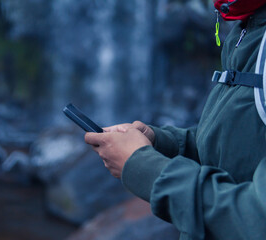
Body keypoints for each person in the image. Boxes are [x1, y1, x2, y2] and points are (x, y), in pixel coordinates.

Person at [84, 1, 266, 239]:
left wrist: (143, 166)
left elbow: (255, 219)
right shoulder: (248, 28)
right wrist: (161, 143)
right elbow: (242, 148)